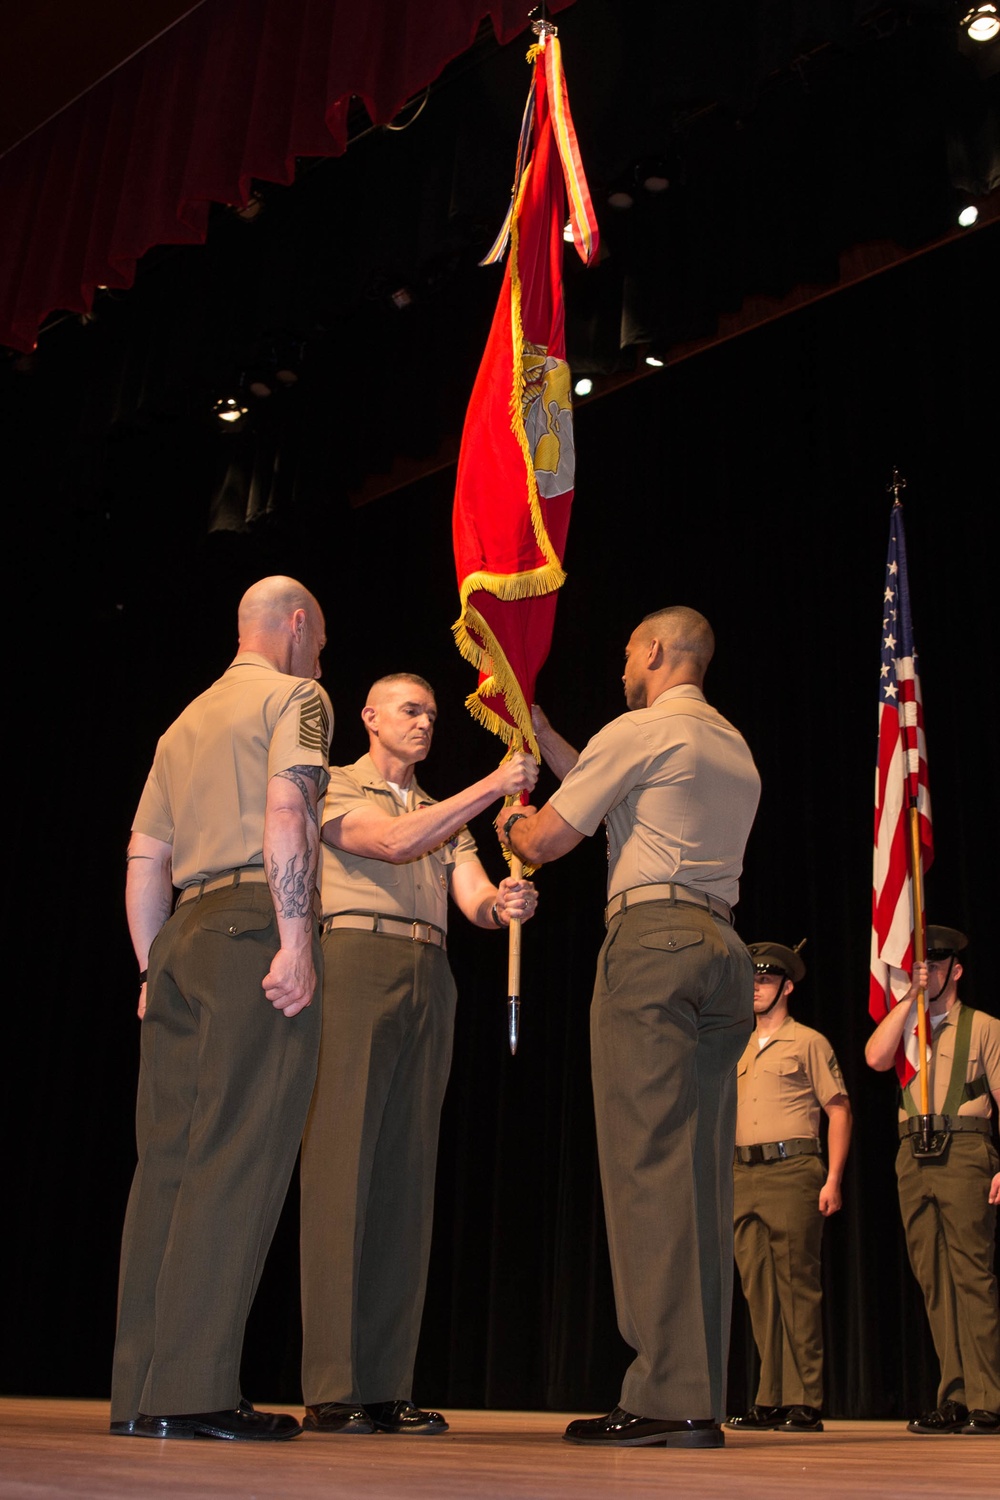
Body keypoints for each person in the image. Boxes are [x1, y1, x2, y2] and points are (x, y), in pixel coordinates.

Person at [495, 606, 760, 1449]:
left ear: (652, 651)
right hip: (723, 953)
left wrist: (508, 820)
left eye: (624, 653)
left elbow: (547, 837)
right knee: (698, 1179)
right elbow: (622, 806)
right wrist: (551, 738)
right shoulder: (731, 745)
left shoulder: (638, 730)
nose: (620, 669)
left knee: (645, 1165)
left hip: (652, 947)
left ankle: (663, 1397)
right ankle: (698, 1391)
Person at [110, 576, 332, 1443]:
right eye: (320, 636)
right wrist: (297, 938)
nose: (322, 654)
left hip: (180, 940)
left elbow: (144, 857)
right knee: (238, 1155)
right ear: (298, 624)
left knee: (166, 1162)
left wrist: (149, 966)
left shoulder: (182, 723)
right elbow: (288, 809)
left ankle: (139, 1391)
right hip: (251, 928)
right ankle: (193, 1390)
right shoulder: (298, 696)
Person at [299, 672, 539, 1435]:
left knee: (408, 1181)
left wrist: (504, 905)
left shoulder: (444, 812)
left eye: (433, 714)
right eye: (411, 710)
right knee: (343, 1173)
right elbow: (394, 843)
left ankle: (384, 1382)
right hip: (357, 963)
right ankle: (332, 1384)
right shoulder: (334, 784)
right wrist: (495, 781)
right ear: (369, 717)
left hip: (428, 974)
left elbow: (468, 896)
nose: (426, 723)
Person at [865, 925, 1000, 1436]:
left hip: (965, 1149)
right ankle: (956, 1396)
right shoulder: (908, 1028)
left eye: (939, 965)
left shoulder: (985, 1027)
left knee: (972, 1276)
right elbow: (875, 1058)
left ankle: (989, 1398)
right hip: (912, 1155)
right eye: (922, 966)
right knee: (934, 1281)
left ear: (957, 970)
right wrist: (910, 997)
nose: (929, 972)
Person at [725, 941, 851, 1434]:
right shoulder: (733, 1042)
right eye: (752, 980)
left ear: (787, 986)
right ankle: (771, 1397)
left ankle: (805, 1400)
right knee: (759, 1291)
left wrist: (833, 1177)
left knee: (797, 1287)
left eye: (765, 980)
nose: (756, 988)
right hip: (742, 1173)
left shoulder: (808, 1042)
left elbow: (839, 1108)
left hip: (792, 1169)